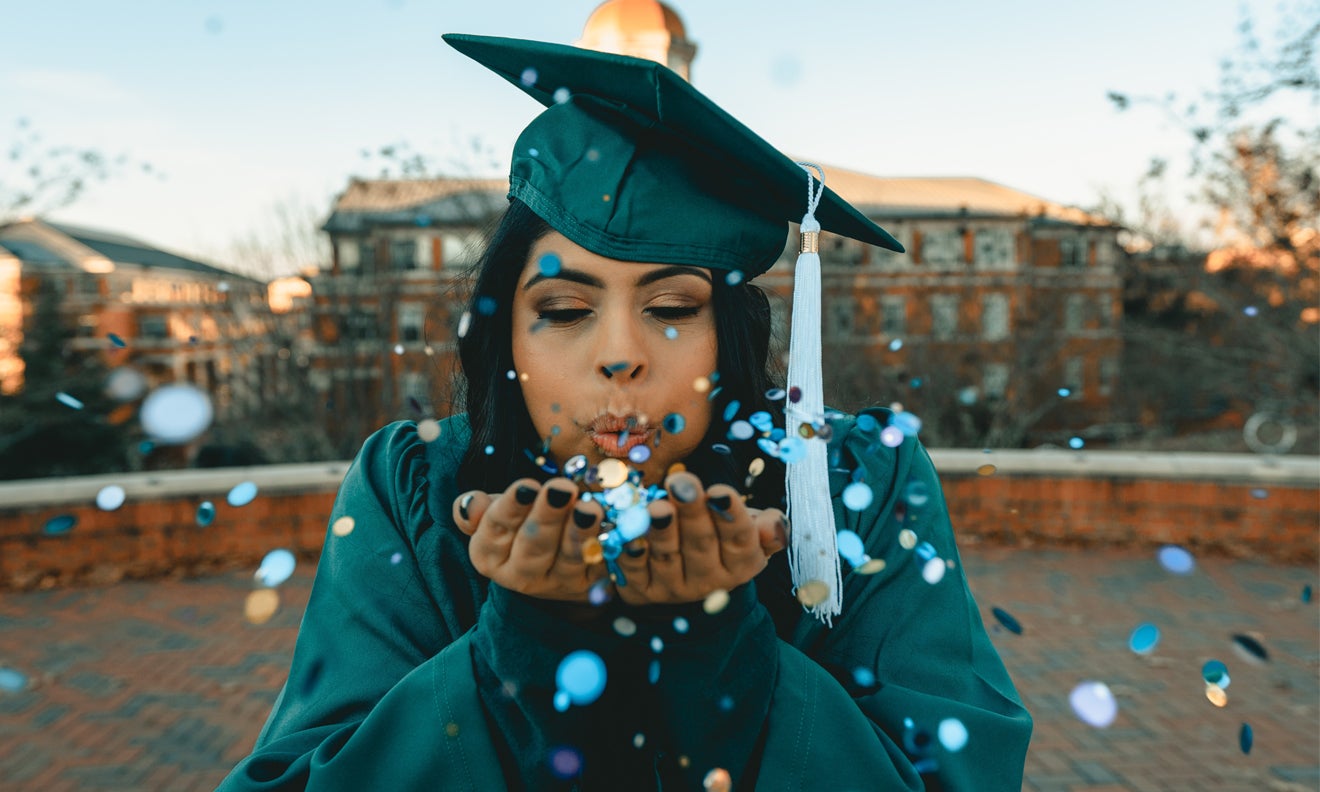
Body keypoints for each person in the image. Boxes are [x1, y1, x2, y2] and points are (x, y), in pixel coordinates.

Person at [218, 34, 1031, 791]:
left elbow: (956, 774)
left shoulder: (853, 481)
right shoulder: (417, 488)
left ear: (732, 335)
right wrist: (522, 641)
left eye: (673, 305)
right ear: (508, 333)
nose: (620, 355)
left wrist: (725, 650)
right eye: (565, 311)